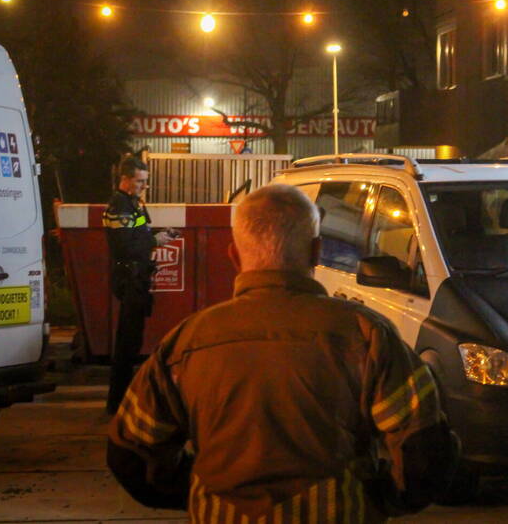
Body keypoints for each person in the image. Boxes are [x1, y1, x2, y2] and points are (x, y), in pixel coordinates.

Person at [107, 184, 458, 522]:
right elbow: (425, 455)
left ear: (233, 254)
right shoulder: (367, 336)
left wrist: (200, 489)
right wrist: (375, 498)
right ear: (316, 251)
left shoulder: (185, 343)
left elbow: (132, 456)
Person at [104, 156, 174, 414]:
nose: (144, 186)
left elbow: (141, 234)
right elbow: (123, 246)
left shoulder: (134, 205)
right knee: (126, 344)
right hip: (129, 278)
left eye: (146, 181)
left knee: (132, 342)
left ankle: (120, 400)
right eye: (140, 181)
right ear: (125, 179)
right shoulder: (120, 206)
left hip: (138, 278)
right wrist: (154, 243)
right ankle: (117, 402)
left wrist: (157, 236)